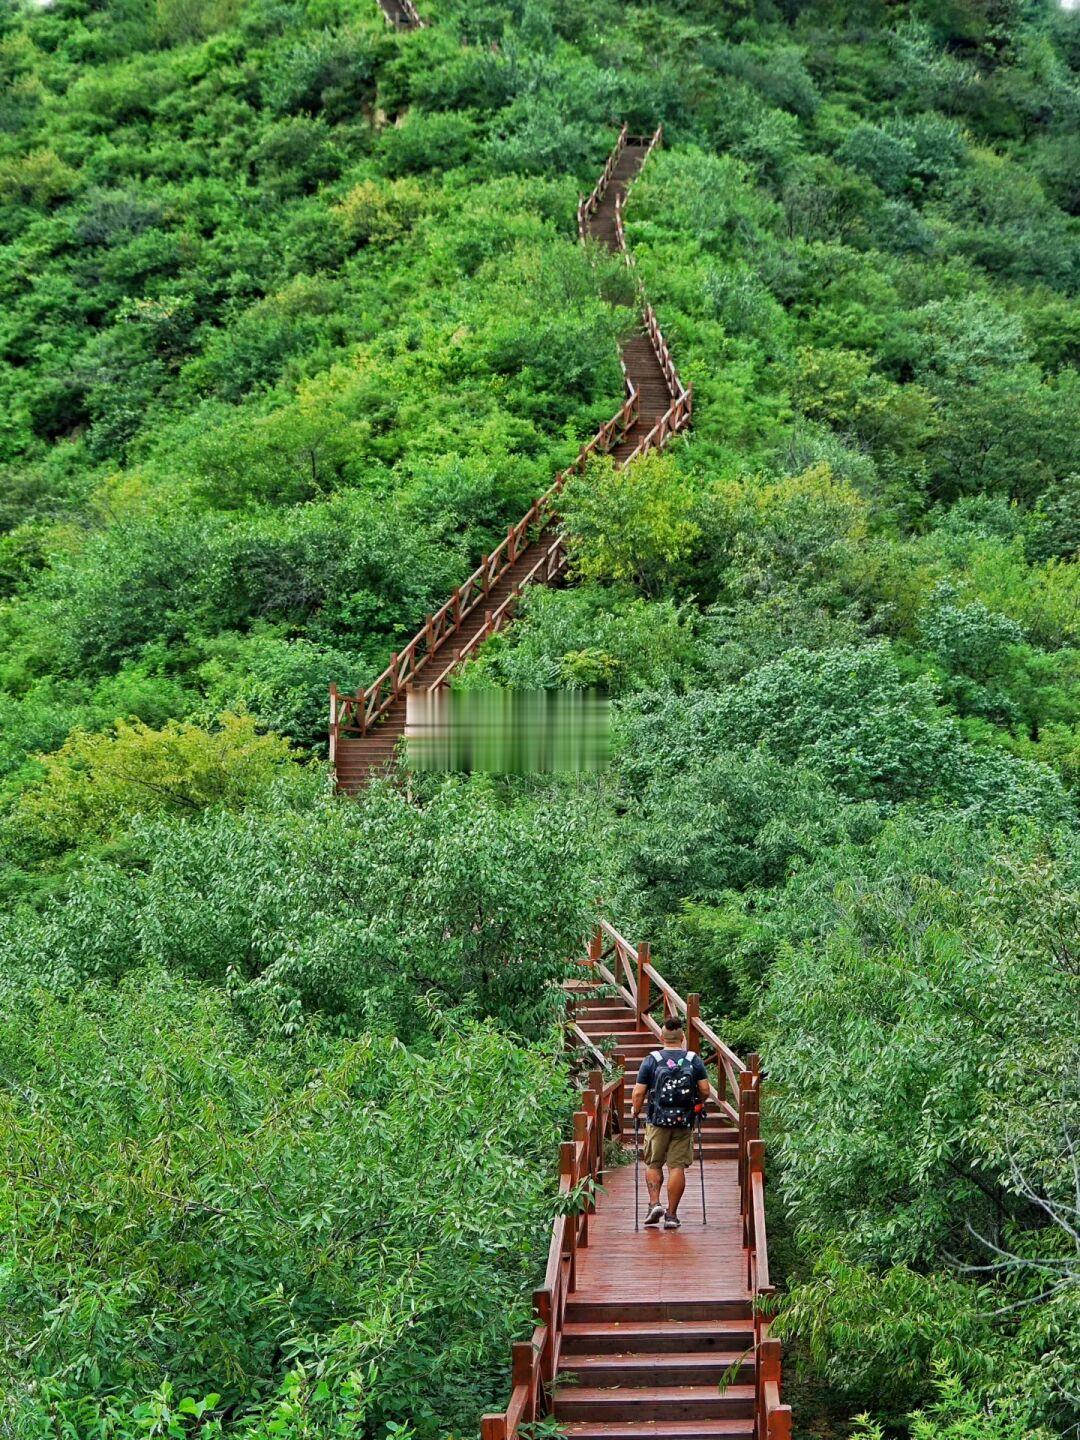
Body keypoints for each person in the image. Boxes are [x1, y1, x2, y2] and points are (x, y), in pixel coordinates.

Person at [631, 1015, 710, 1230]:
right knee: (677, 1167)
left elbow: (638, 1093)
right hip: (683, 1121)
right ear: (682, 1037)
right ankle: (672, 1216)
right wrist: (698, 1104)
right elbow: (705, 1090)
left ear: (661, 1036)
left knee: (653, 1163)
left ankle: (655, 1203)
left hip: (657, 1120)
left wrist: (635, 1111)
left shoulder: (652, 1060)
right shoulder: (693, 1059)